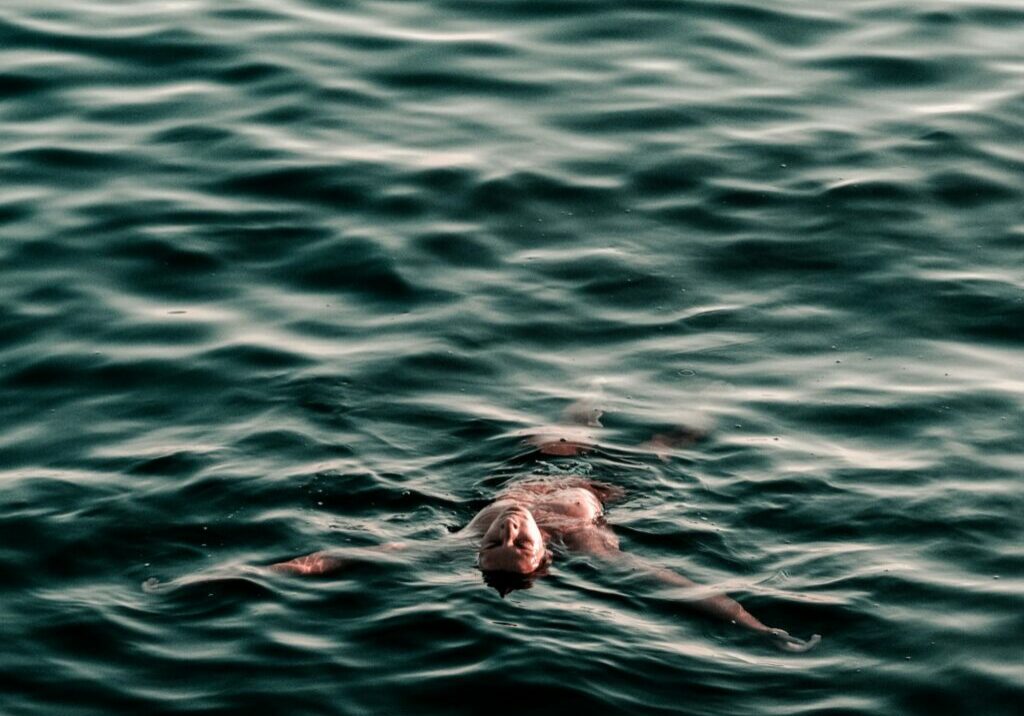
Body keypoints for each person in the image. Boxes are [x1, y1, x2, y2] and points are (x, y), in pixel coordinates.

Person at [270, 402, 821, 653]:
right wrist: (758, 628)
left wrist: (266, 572)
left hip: (533, 470)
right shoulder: (583, 544)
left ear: (475, 548)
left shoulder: (453, 543)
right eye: (519, 540)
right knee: (666, 444)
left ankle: (592, 395)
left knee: (565, 427)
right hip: (608, 487)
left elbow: (345, 558)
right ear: (543, 556)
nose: (510, 527)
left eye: (495, 539)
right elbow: (678, 587)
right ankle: (716, 406)